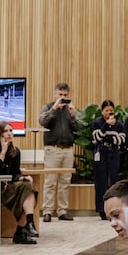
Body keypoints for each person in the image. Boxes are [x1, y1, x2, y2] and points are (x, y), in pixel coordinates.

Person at [0, 122, 39, 245]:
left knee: (29, 188)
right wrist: (3, 152)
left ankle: (29, 223)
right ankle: (20, 231)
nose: (9, 134)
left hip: (9, 188)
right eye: (6, 131)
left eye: (11, 131)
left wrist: (23, 178)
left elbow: (15, 174)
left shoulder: (15, 151)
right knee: (26, 192)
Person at [38, 82, 79, 222]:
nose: (62, 97)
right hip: (52, 149)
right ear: (55, 95)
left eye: (65, 95)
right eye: (60, 95)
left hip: (67, 149)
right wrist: (54, 109)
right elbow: (43, 121)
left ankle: (62, 211)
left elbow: (77, 128)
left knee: (65, 182)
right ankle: (47, 211)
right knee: (50, 181)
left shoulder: (70, 109)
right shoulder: (48, 107)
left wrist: (73, 115)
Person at [91, 100, 126, 220]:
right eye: (107, 111)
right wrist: (106, 126)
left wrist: (108, 138)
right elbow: (97, 138)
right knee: (101, 181)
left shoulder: (119, 124)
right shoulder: (97, 123)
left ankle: (114, 209)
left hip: (113, 153)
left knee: (114, 181)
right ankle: (101, 209)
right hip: (101, 153)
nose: (109, 113)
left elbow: (121, 140)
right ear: (102, 111)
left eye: (111, 111)